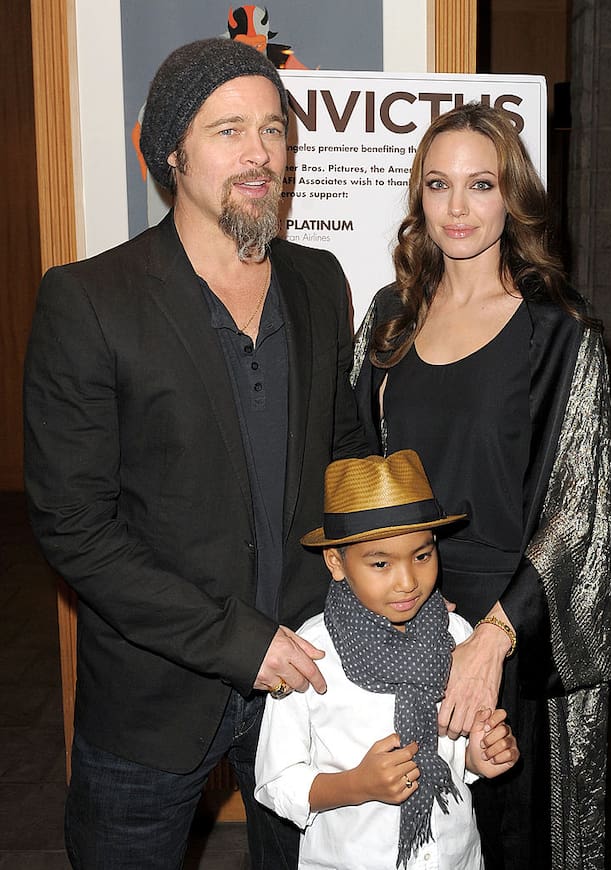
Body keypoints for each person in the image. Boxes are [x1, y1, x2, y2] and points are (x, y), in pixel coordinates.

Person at [23, 37, 368, 870]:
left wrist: (382, 570)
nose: (260, 153)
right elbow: (75, 526)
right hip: (151, 698)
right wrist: (238, 641)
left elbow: (347, 453)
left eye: (273, 129)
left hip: (308, 681)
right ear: (171, 154)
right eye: (228, 130)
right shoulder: (89, 300)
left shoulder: (319, 281)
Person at [352, 103, 611, 870]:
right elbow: (359, 471)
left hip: (511, 634)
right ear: (419, 198)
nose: (458, 208)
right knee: (402, 838)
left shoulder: (559, 333)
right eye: (438, 184)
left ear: (512, 197)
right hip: (400, 615)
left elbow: (578, 513)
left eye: (481, 184)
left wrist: (493, 637)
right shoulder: (390, 318)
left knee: (504, 839)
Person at [255, 450, 519, 869]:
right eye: (381, 563)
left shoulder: (457, 636)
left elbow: (454, 754)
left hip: (454, 857)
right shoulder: (309, 654)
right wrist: (356, 785)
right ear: (336, 562)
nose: (408, 581)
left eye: (422, 555)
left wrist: (478, 757)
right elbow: (276, 782)